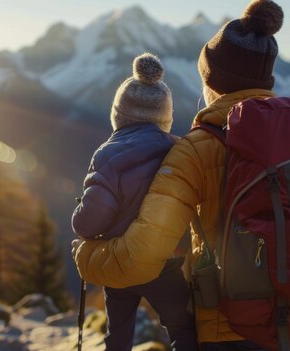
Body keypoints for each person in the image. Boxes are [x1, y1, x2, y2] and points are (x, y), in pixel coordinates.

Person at [73, 0, 284, 350]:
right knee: (179, 325)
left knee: (124, 332)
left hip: (232, 322)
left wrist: (87, 256)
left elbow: (140, 254)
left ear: (211, 79)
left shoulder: (195, 149)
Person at [71, 53, 198, 351]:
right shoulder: (178, 152)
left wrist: (79, 212)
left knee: (118, 334)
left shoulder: (107, 155)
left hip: (119, 264)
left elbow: (88, 223)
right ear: (165, 117)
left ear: (119, 114)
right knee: (183, 328)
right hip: (165, 264)